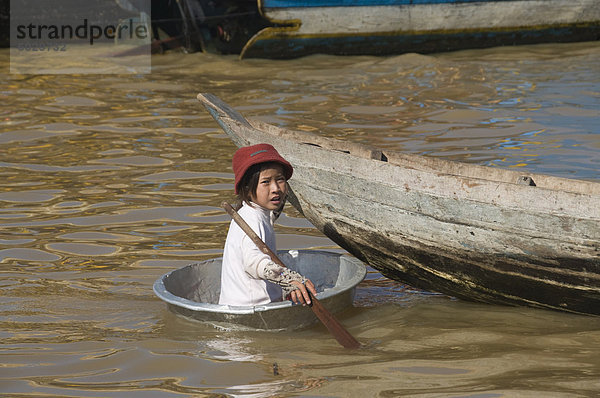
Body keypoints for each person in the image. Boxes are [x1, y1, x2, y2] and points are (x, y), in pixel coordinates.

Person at [219, 143, 317, 307]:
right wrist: (288, 278)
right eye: (266, 182)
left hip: (248, 304)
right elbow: (253, 262)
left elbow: (275, 208)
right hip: (250, 308)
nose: (275, 189)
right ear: (247, 188)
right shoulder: (252, 218)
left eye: (280, 180)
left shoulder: (256, 211)